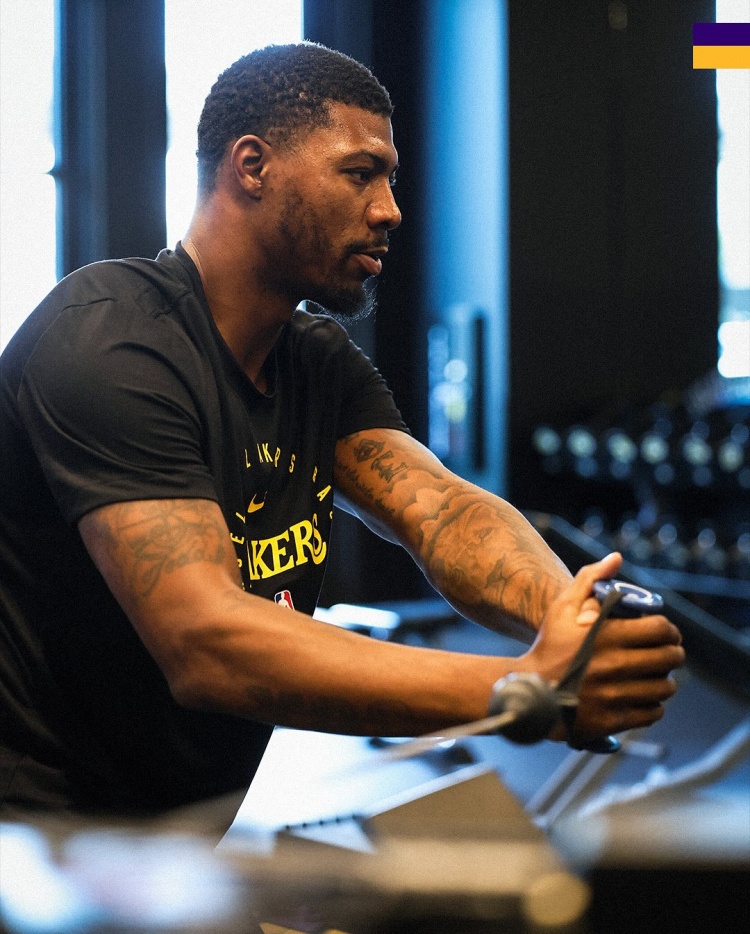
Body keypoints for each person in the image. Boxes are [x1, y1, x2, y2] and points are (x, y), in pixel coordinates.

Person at [0, 42, 684, 827]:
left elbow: (442, 512)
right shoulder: (113, 341)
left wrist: (571, 619)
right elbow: (207, 643)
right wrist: (526, 689)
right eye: (360, 173)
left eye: (389, 178)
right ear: (252, 166)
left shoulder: (311, 360)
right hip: (27, 839)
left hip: (163, 838)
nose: (389, 209)